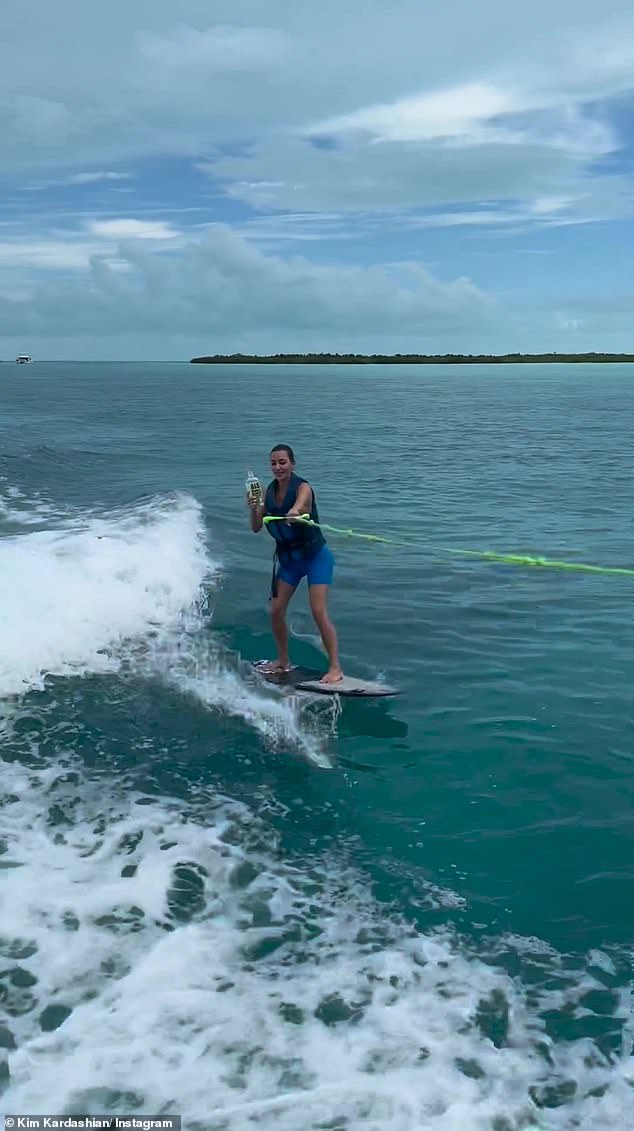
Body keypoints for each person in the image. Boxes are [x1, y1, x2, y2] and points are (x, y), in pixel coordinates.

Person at [246, 444, 343, 684]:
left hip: (315, 558)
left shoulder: (303, 488)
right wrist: (254, 507)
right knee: (276, 610)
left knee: (318, 611)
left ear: (292, 464)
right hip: (289, 562)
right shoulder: (268, 492)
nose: (278, 467)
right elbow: (257, 526)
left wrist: (295, 512)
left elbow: (301, 505)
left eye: (282, 462)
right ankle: (283, 660)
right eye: (273, 463)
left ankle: (335, 668)